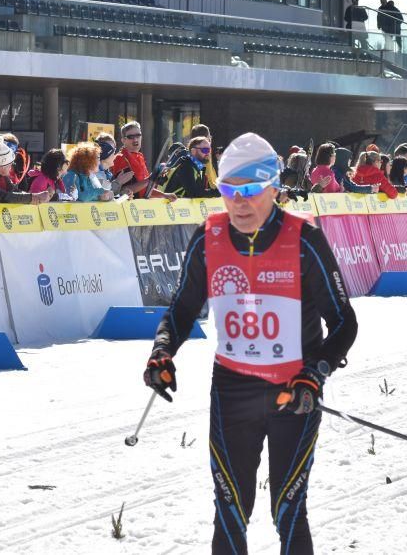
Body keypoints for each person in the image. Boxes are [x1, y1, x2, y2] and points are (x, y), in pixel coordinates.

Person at [143, 133, 358, 555]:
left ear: (274, 188)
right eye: (229, 190)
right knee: (229, 509)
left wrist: (315, 374)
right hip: (232, 391)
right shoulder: (209, 236)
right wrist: (161, 353)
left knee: (288, 509)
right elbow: (181, 310)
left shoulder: (304, 238)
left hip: (292, 391)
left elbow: (344, 322)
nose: (238, 202)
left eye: (250, 191)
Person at [111, 121, 176, 200]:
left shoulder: (139, 157)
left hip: (140, 205)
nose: (135, 139)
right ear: (123, 140)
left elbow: (145, 189)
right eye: (130, 137)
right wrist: (151, 179)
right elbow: (123, 191)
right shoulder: (120, 158)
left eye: (138, 135)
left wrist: (164, 195)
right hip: (127, 205)